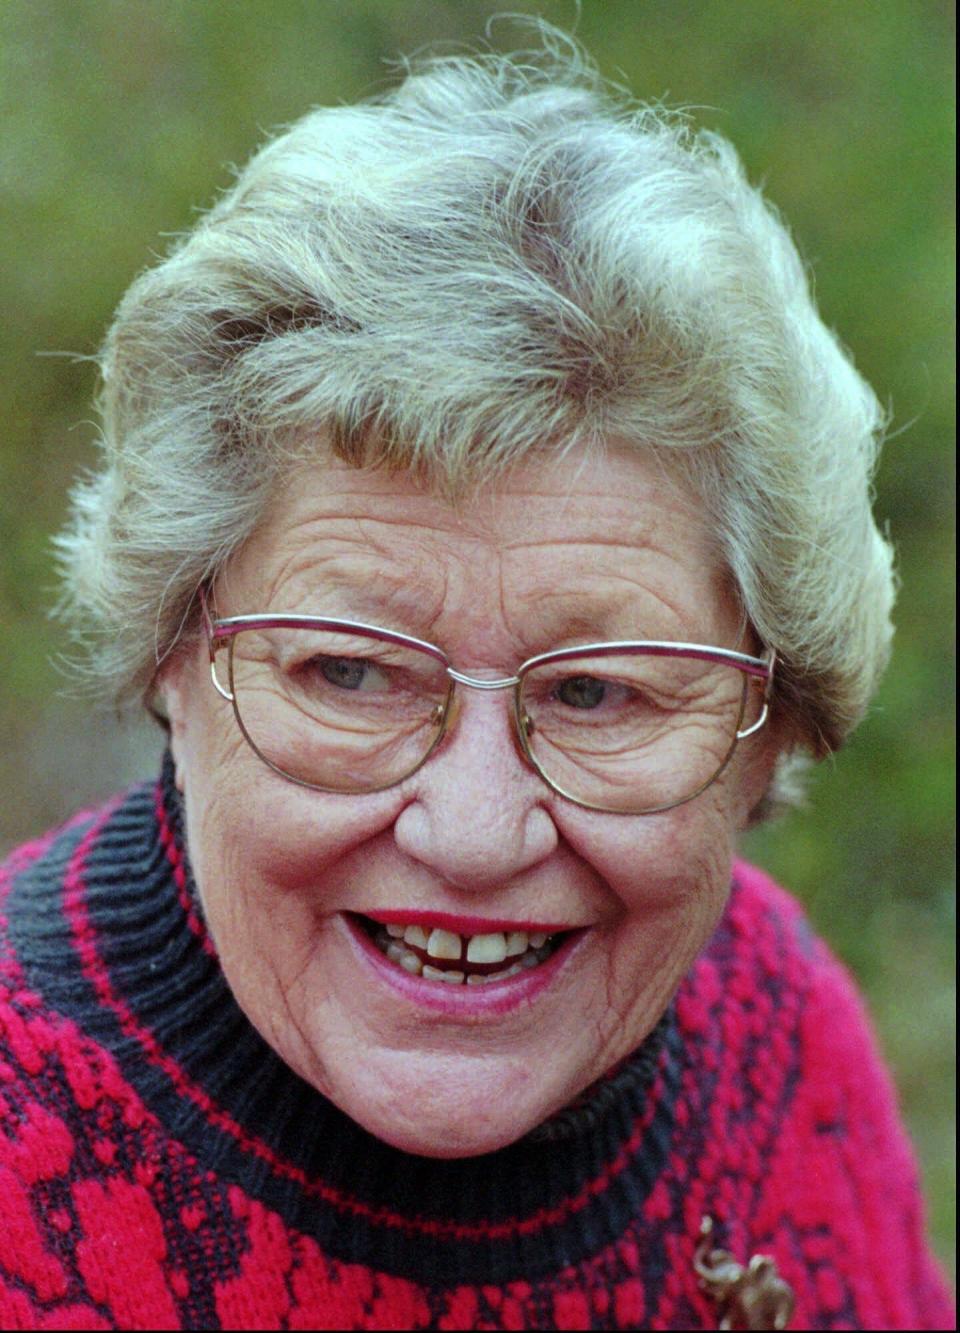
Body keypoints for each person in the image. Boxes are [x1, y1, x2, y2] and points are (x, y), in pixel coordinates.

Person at [0, 32, 952, 1333]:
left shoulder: (773, 1031)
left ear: (771, 724)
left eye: (600, 692)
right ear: (175, 652)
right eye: (349, 672)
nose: (474, 830)